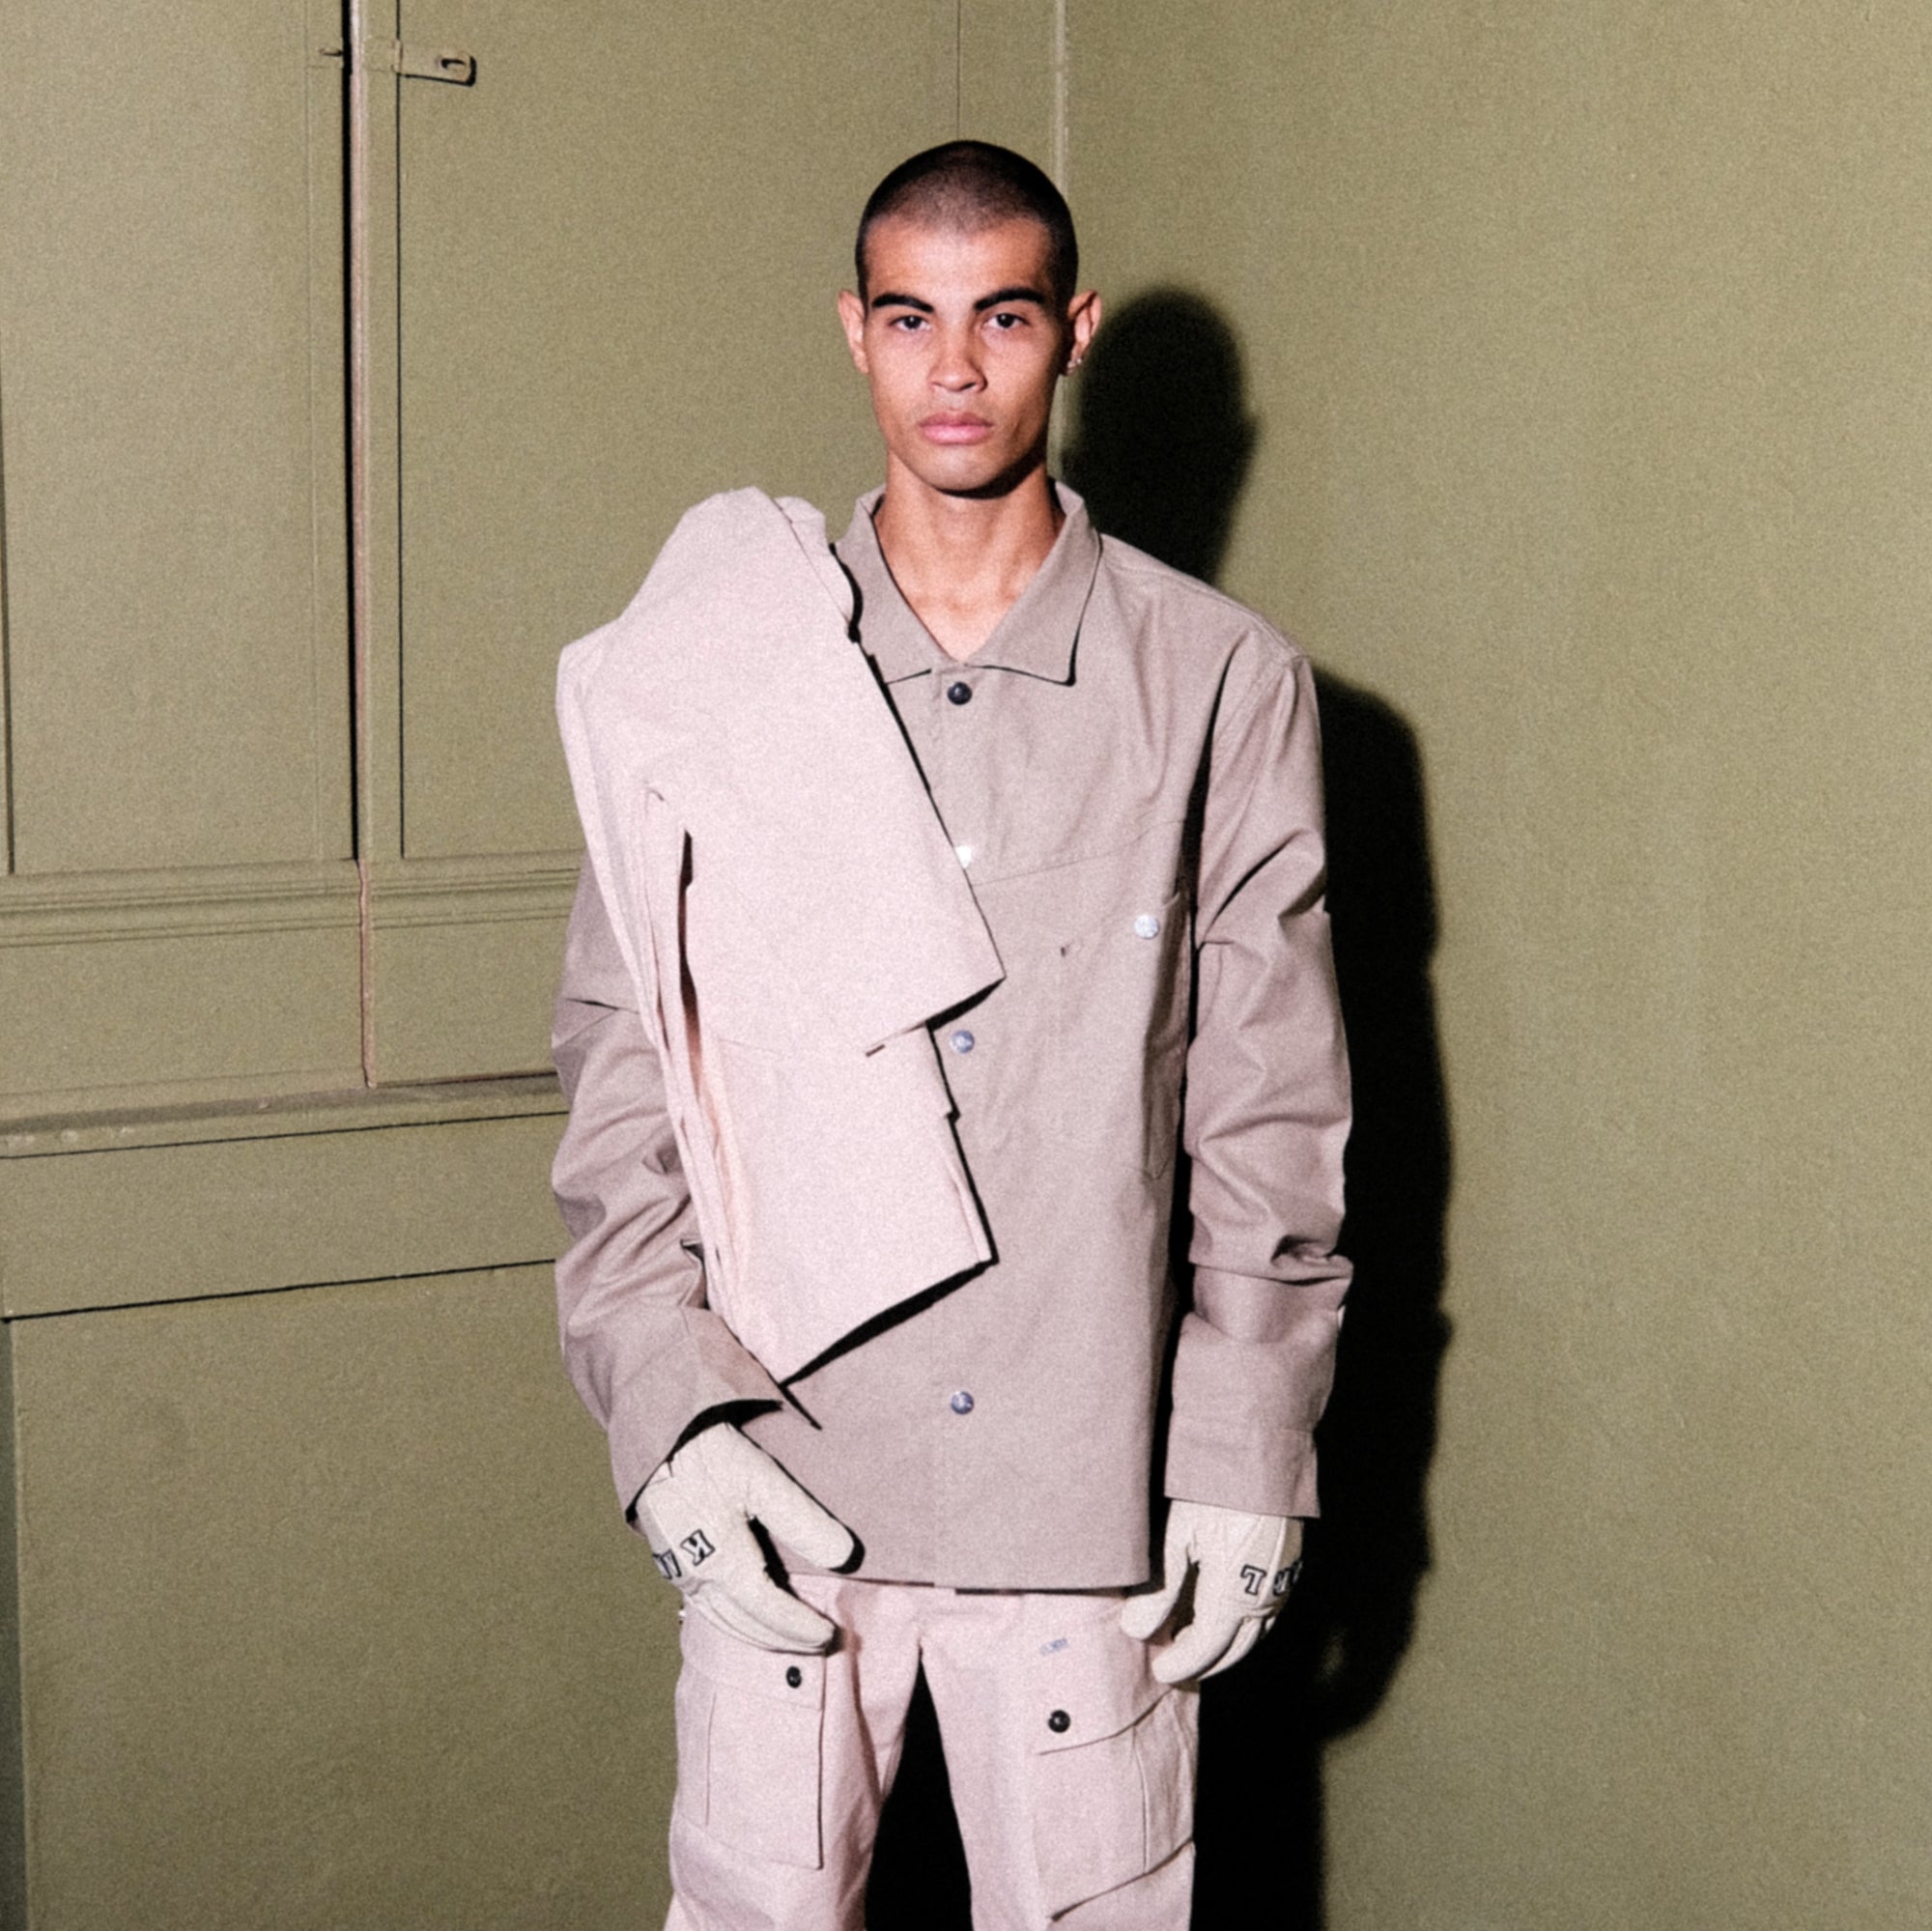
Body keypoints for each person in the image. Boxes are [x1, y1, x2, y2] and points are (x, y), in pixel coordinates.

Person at [550, 140, 1350, 1931]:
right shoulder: (722, 660)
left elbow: (1270, 1110)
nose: (956, 370)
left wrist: (1248, 1455)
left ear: (1072, 330)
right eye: (912, 320)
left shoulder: (1221, 678)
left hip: (1085, 1501)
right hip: (786, 1468)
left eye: (1002, 318)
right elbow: (623, 1065)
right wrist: (666, 1421)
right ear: (855, 331)